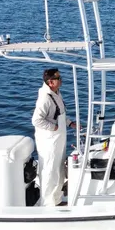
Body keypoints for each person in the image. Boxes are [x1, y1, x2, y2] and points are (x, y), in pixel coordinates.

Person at [32, 68, 77, 206]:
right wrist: (54, 127)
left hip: (58, 140)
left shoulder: (56, 93)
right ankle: (48, 203)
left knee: (58, 169)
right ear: (50, 82)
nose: (61, 80)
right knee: (50, 170)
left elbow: (59, 113)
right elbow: (36, 120)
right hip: (50, 141)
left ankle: (56, 199)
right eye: (58, 78)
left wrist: (70, 123)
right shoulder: (45, 98)